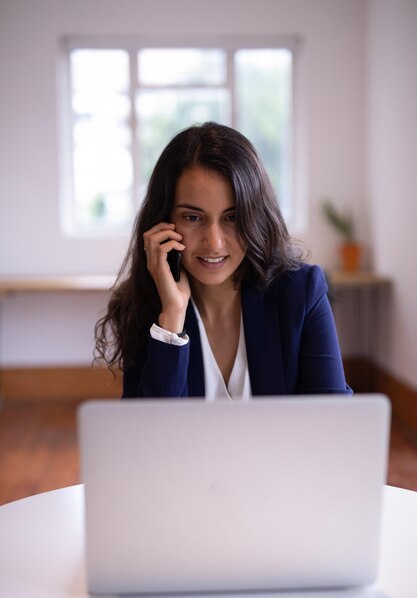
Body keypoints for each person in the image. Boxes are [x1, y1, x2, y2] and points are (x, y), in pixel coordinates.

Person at [95, 122, 351, 399]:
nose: (214, 242)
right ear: (164, 222)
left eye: (232, 217)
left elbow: (331, 420)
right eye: (193, 218)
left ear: (254, 218)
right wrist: (172, 317)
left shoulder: (302, 292)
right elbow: (147, 435)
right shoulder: (146, 307)